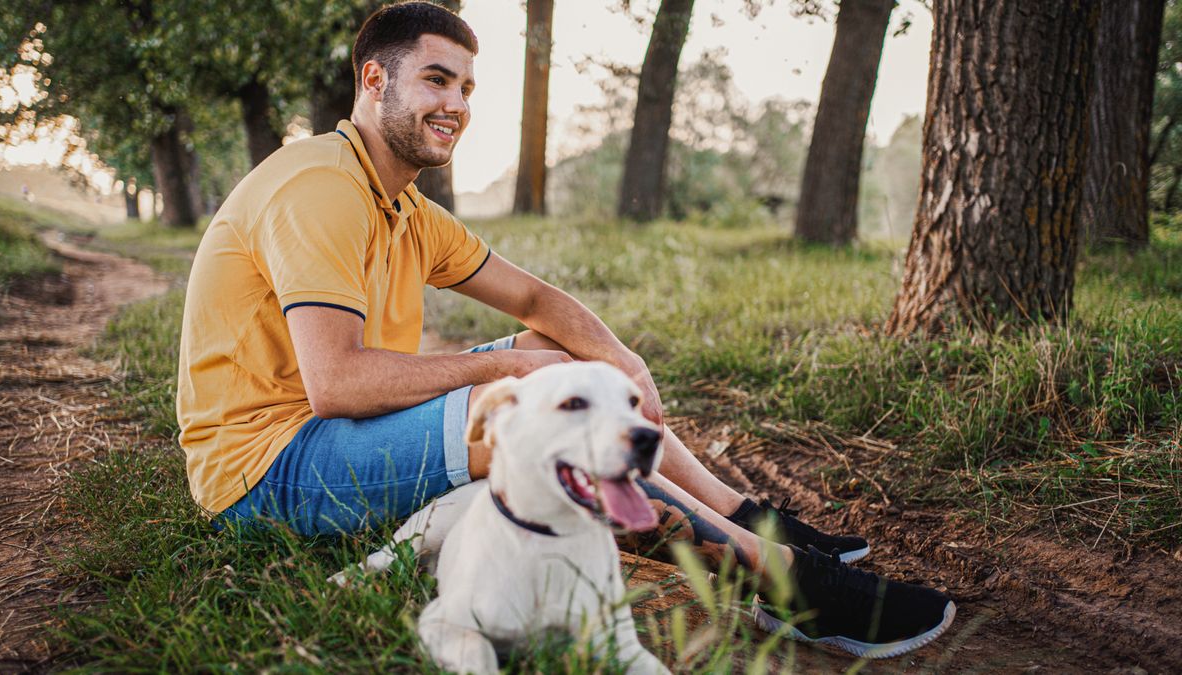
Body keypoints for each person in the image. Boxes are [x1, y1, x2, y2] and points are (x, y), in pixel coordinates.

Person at [175, 1, 953, 658]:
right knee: (547, 422)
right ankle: (783, 581)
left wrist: (620, 363)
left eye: (468, 87)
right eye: (436, 79)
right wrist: (505, 376)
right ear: (373, 81)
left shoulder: (406, 206)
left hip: (324, 434)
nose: (456, 104)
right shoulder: (321, 186)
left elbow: (538, 301)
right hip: (266, 472)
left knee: (567, 372)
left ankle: (744, 514)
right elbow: (336, 382)